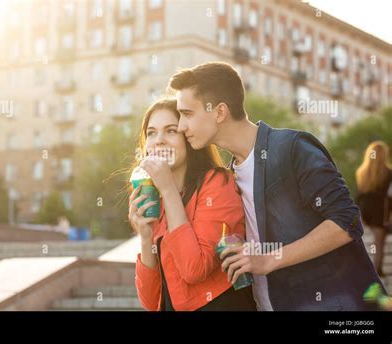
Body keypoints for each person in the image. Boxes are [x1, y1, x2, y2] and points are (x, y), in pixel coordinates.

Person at [168, 61, 386, 310]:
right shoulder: (227, 178)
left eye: (187, 114)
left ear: (219, 112)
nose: (182, 126)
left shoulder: (291, 148)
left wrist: (270, 258)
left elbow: (347, 222)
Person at [128, 98, 256, 311]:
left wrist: (168, 190)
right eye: (151, 133)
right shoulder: (154, 199)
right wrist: (145, 236)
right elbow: (152, 302)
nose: (159, 140)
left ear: (187, 137)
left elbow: (194, 268)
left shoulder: (217, 183)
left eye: (170, 131)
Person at [356, 141, 392, 277]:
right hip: (379, 211)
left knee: (366, 242)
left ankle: (368, 270)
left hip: (364, 210)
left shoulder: (362, 172)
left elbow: (359, 193)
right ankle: (376, 272)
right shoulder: (388, 173)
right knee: (379, 243)